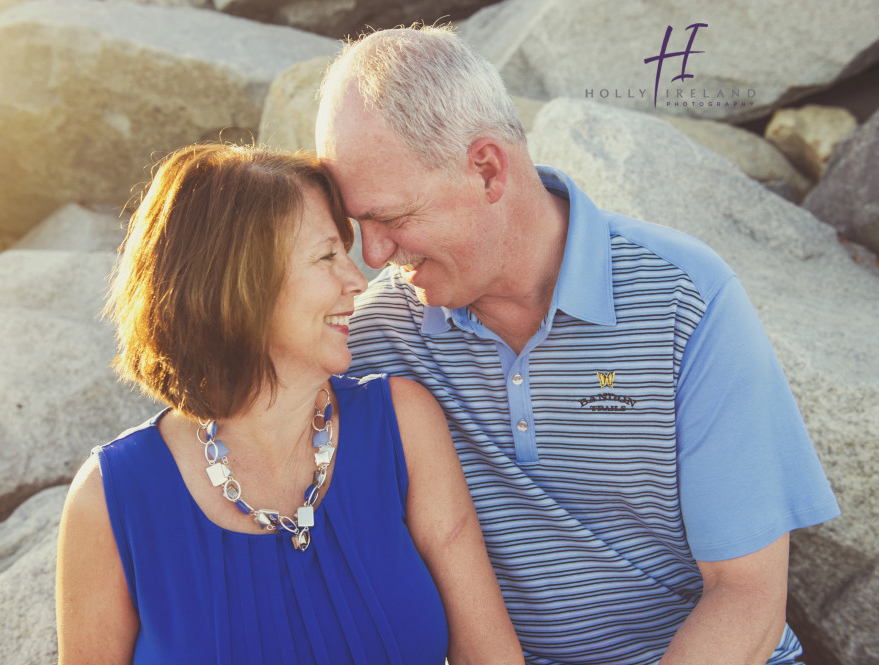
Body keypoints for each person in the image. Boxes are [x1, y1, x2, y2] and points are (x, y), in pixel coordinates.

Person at [315, 25, 841, 665]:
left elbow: (749, 597)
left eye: (392, 219)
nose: (373, 257)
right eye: (357, 226)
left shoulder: (685, 300)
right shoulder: (371, 338)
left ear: (486, 169)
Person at [55, 143, 523, 665]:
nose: (357, 280)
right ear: (235, 284)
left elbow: (490, 655)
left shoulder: (403, 425)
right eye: (327, 256)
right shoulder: (110, 498)